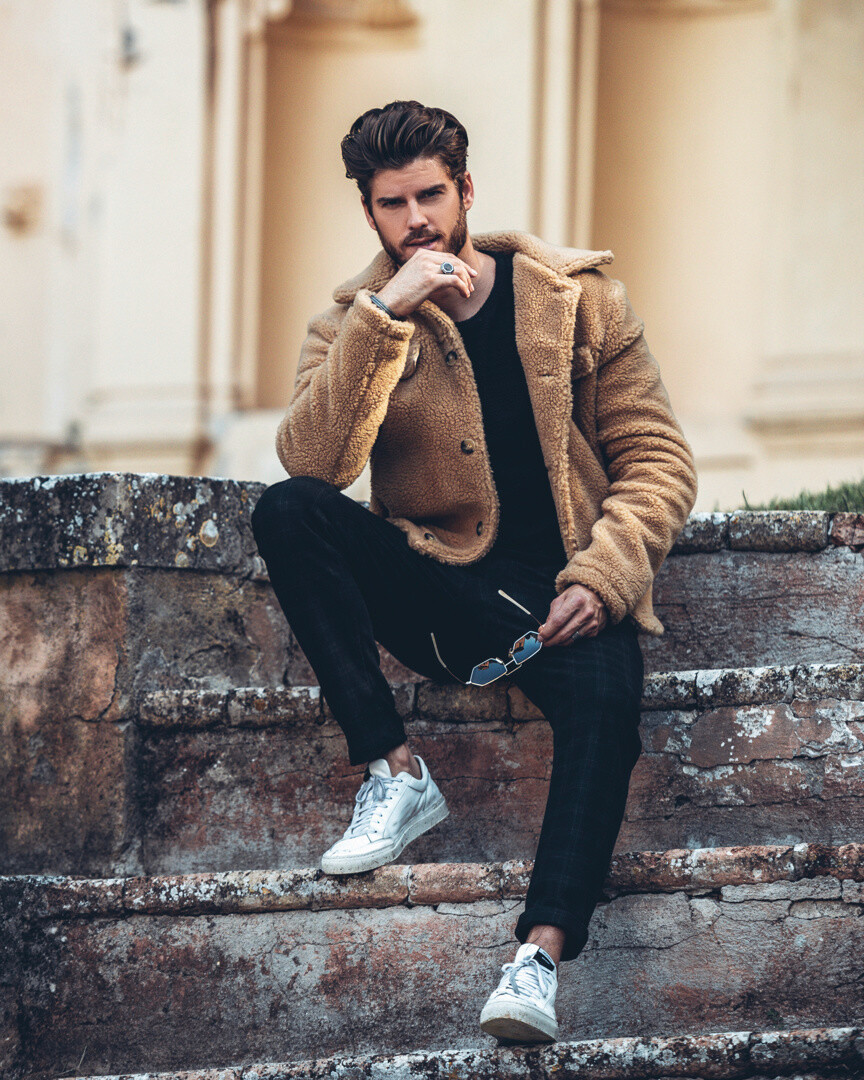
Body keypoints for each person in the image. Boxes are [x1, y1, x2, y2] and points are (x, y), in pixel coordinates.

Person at [251, 100, 697, 1044]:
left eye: (431, 195)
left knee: (608, 705)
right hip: (441, 590)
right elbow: (314, 464)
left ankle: (537, 959)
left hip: (563, 595)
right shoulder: (352, 324)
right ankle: (394, 771)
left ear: (464, 190)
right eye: (392, 203)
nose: (416, 219)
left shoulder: (577, 300)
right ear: (368, 212)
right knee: (286, 510)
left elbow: (657, 459)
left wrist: (605, 575)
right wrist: (386, 316)